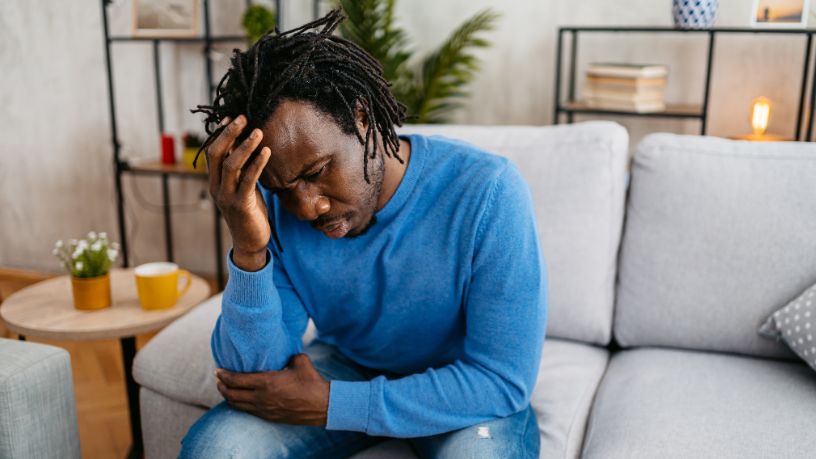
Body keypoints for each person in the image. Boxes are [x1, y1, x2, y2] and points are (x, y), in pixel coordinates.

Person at [179, 9, 547, 458]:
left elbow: (501, 379)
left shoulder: (488, 191)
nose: (308, 208)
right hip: (351, 365)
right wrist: (249, 250)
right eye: (283, 189)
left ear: (362, 116)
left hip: (461, 387)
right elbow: (252, 374)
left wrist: (337, 405)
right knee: (218, 449)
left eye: (316, 171)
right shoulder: (273, 213)